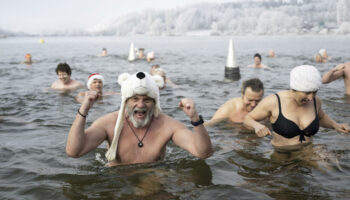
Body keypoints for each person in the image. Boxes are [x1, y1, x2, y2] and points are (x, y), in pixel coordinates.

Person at [66, 71, 213, 166]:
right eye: (134, 99)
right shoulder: (109, 123)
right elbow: (74, 152)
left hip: (154, 179)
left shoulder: (167, 125)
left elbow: (203, 153)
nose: (141, 105)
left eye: (147, 100)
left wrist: (195, 119)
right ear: (125, 101)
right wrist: (83, 110)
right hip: (119, 181)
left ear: (155, 102)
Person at [243, 65, 349, 150]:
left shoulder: (316, 101)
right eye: (307, 93)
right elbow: (248, 119)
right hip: (282, 154)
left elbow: (321, 118)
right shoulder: (274, 101)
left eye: (314, 92)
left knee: (329, 166)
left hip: (308, 151)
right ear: (294, 89)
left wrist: (336, 126)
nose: (311, 98)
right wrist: (256, 126)